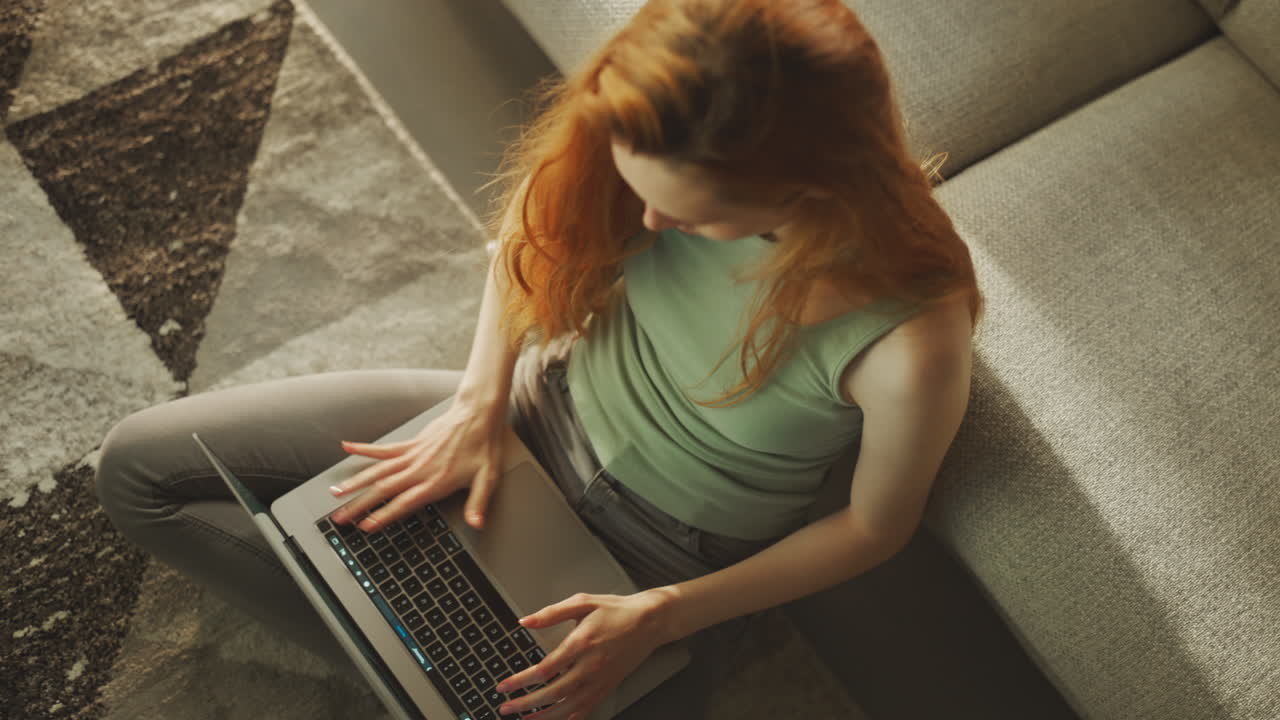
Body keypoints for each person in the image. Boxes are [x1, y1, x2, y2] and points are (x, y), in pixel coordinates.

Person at [94, 1, 983, 718]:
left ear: (815, 186)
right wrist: (477, 405)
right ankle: (429, 677)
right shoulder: (655, 118)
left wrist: (662, 615)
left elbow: (875, 528)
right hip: (521, 417)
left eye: (694, 215)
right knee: (138, 472)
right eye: (639, 190)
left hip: (662, 562)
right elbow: (538, 224)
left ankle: (453, 674)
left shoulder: (912, 334)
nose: (652, 228)